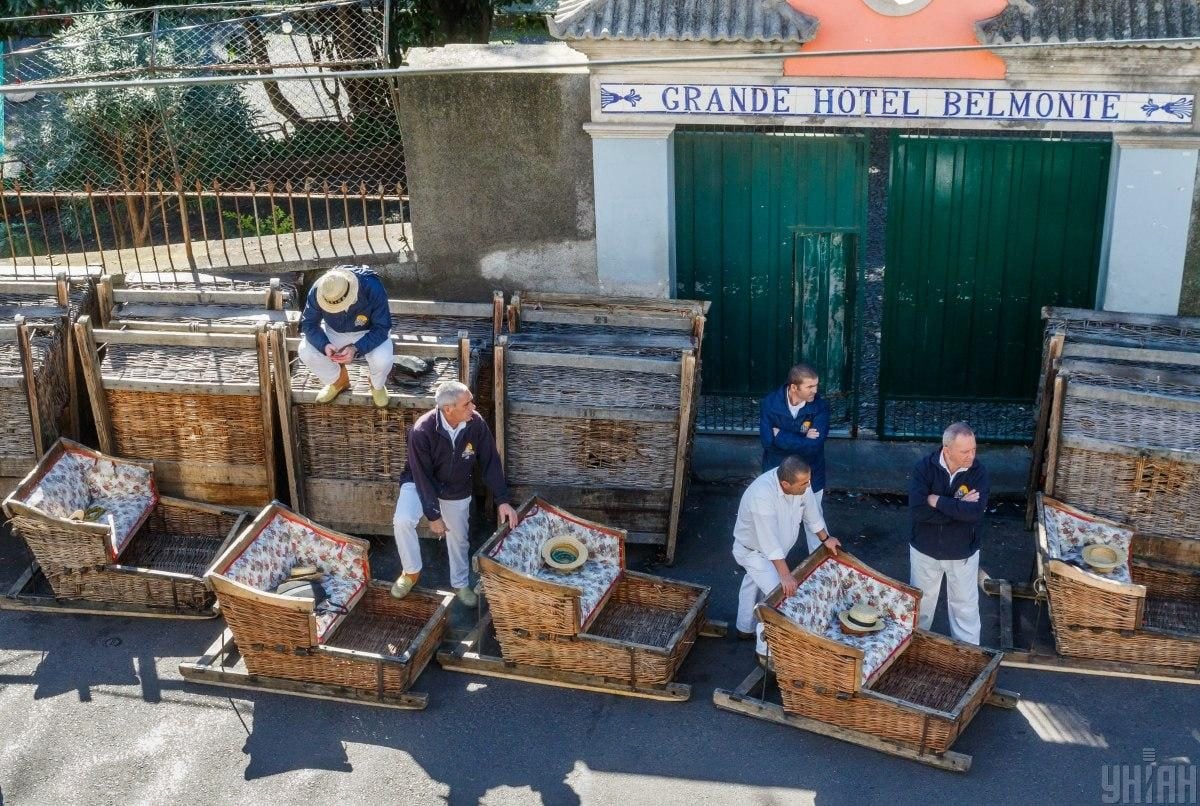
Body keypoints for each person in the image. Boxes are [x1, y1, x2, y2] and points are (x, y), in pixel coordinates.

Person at [391, 380, 519, 605]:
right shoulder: (422, 430)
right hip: (420, 482)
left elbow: (490, 461)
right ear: (448, 409)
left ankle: (460, 583)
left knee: (459, 538)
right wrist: (433, 514)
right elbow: (421, 475)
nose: (474, 407)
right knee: (402, 519)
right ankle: (410, 572)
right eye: (467, 404)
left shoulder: (475, 424)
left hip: (457, 486)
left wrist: (503, 500)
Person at [732, 456, 842, 665]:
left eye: (808, 481)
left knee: (753, 581)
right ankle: (765, 654)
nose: (809, 486)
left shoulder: (800, 482)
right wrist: (785, 575)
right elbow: (769, 542)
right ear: (785, 484)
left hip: (776, 550)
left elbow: (812, 514)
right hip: (753, 552)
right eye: (804, 484)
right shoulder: (761, 496)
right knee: (779, 597)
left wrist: (826, 539)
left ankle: (743, 628)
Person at [908, 421, 990, 645]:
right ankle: (913, 649)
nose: (971, 456)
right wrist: (958, 506)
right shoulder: (924, 468)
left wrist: (938, 501)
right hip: (925, 551)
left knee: (965, 609)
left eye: (974, 449)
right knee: (920, 607)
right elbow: (918, 511)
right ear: (947, 450)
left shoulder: (978, 472)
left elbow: (975, 513)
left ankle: (969, 656)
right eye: (965, 451)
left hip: (962, 553)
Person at [298, 266, 393, 408]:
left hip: (369, 331)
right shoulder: (320, 288)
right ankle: (338, 380)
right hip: (334, 331)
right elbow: (309, 323)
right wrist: (324, 345)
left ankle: (377, 385)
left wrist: (356, 348)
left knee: (382, 360)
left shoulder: (372, 286)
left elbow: (382, 327)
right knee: (306, 351)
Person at [759, 363, 830, 552]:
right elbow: (767, 441)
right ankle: (770, 558)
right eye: (810, 387)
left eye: (816, 386)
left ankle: (819, 561)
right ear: (793, 387)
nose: (815, 391)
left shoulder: (820, 407)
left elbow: (815, 446)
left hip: (810, 472)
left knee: (813, 518)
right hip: (778, 472)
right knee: (774, 518)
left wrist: (780, 435)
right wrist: (802, 439)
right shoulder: (770, 403)